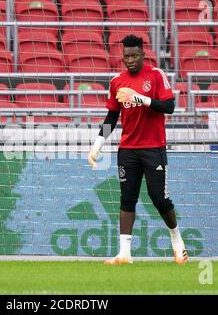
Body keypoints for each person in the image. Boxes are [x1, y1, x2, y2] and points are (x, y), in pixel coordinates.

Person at [88, 34, 188, 265]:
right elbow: (112, 116)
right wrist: (97, 144)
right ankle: (124, 254)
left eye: (134, 55)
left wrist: (140, 98)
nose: (130, 60)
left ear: (143, 55)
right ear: (122, 57)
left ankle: (177, 241)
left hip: (153, 148)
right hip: (128, 150)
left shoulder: (155, 75)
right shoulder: (116, 81)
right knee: (127, 199)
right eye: (126, 56)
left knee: (158, 197)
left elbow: (169, 106)